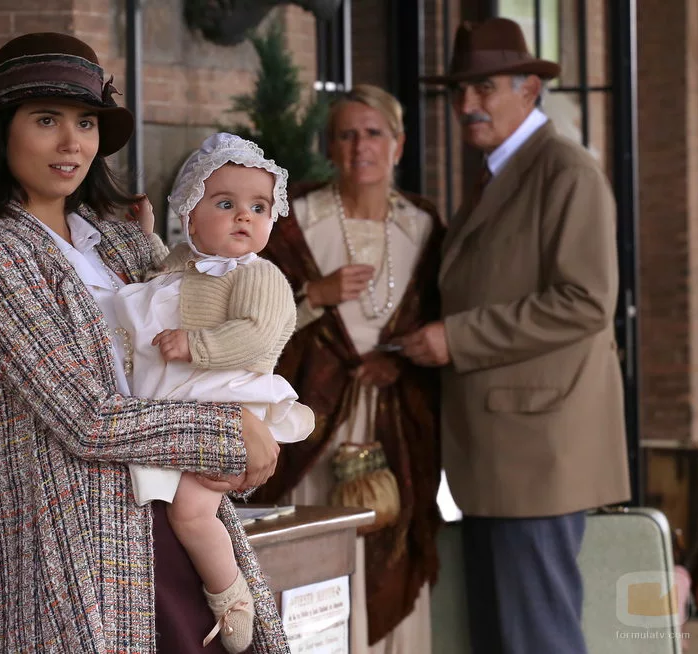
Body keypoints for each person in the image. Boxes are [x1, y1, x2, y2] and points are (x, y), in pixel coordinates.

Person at [0, 33, 289, 653]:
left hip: (172, 527)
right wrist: (230, 431)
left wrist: (247, 422)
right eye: (46, 120)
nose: (71, 142)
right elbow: (85, 418)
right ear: (3, 131)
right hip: (72, 551)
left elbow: (200, 344)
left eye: (85, 122)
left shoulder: (121, 240)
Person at [407, 17, 630, 653]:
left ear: (530, 89)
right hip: (501, 453)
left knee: (535, 640)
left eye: (484, 88)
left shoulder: (565, 172)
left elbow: (586, 302)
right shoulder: (502, 171)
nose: (466, 105)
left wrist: (456, 338)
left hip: (538, 454)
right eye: (459, 91)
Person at [252, 84, 444, 653]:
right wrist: (315, 294)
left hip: (395, 426)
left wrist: (399, 364)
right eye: (346, 135)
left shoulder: (423, 226)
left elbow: (441, 319)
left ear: (398, 144)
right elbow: (249, 314)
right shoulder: (294, 221)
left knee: (390, 543)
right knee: (316, 544)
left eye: (374, 133)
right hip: (312, 423)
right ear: (330, 147)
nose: (361, 147)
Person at [113, 132, 314, 652]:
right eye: (225, 204)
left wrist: (195, 344)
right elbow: (160, 277)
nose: (244, 216)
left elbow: (258, 335)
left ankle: (231, 596)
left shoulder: (259, 275)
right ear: (189, 216)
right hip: (183, 399)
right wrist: (146, 237)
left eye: (259, 207)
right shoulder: (183, 262)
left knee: (191, 509)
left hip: (227, 396)